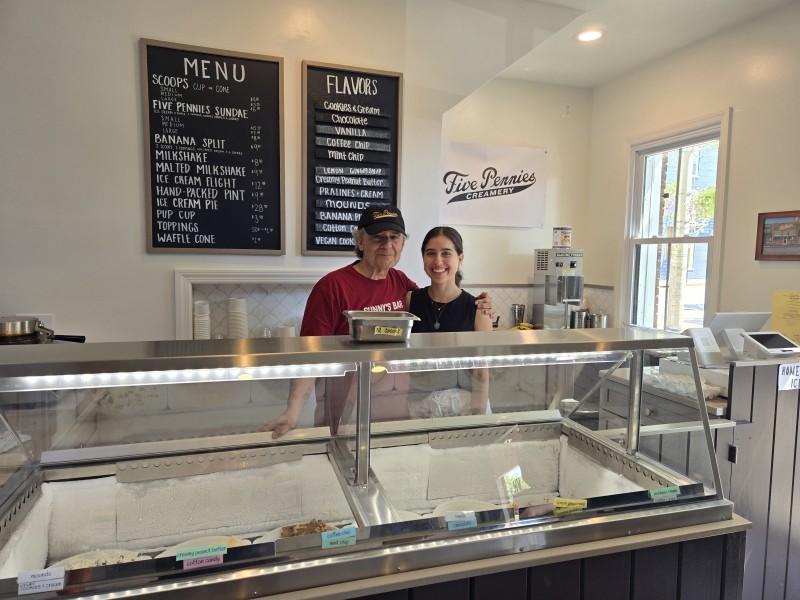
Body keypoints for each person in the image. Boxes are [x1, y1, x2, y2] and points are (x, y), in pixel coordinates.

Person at [260, 206, 493, 438]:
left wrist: (480, 305)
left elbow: (440, 298)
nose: (387, 244)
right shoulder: (331, 288)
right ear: (360, 242)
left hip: (400, 417)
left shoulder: (401, 283)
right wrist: (293, 409)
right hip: (347, 417)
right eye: (377, 238)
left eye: (394, 237)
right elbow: (309, 354)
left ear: (402, 244)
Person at [405, 226, 491, 415]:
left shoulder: (479, 309)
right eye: (430, 253)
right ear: (423, 258)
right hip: (419, 405)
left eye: (446, 253)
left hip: (465, 406)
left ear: (460, 259)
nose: (438, 261)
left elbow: (481, 372)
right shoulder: (411, 299)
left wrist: (478, 419)